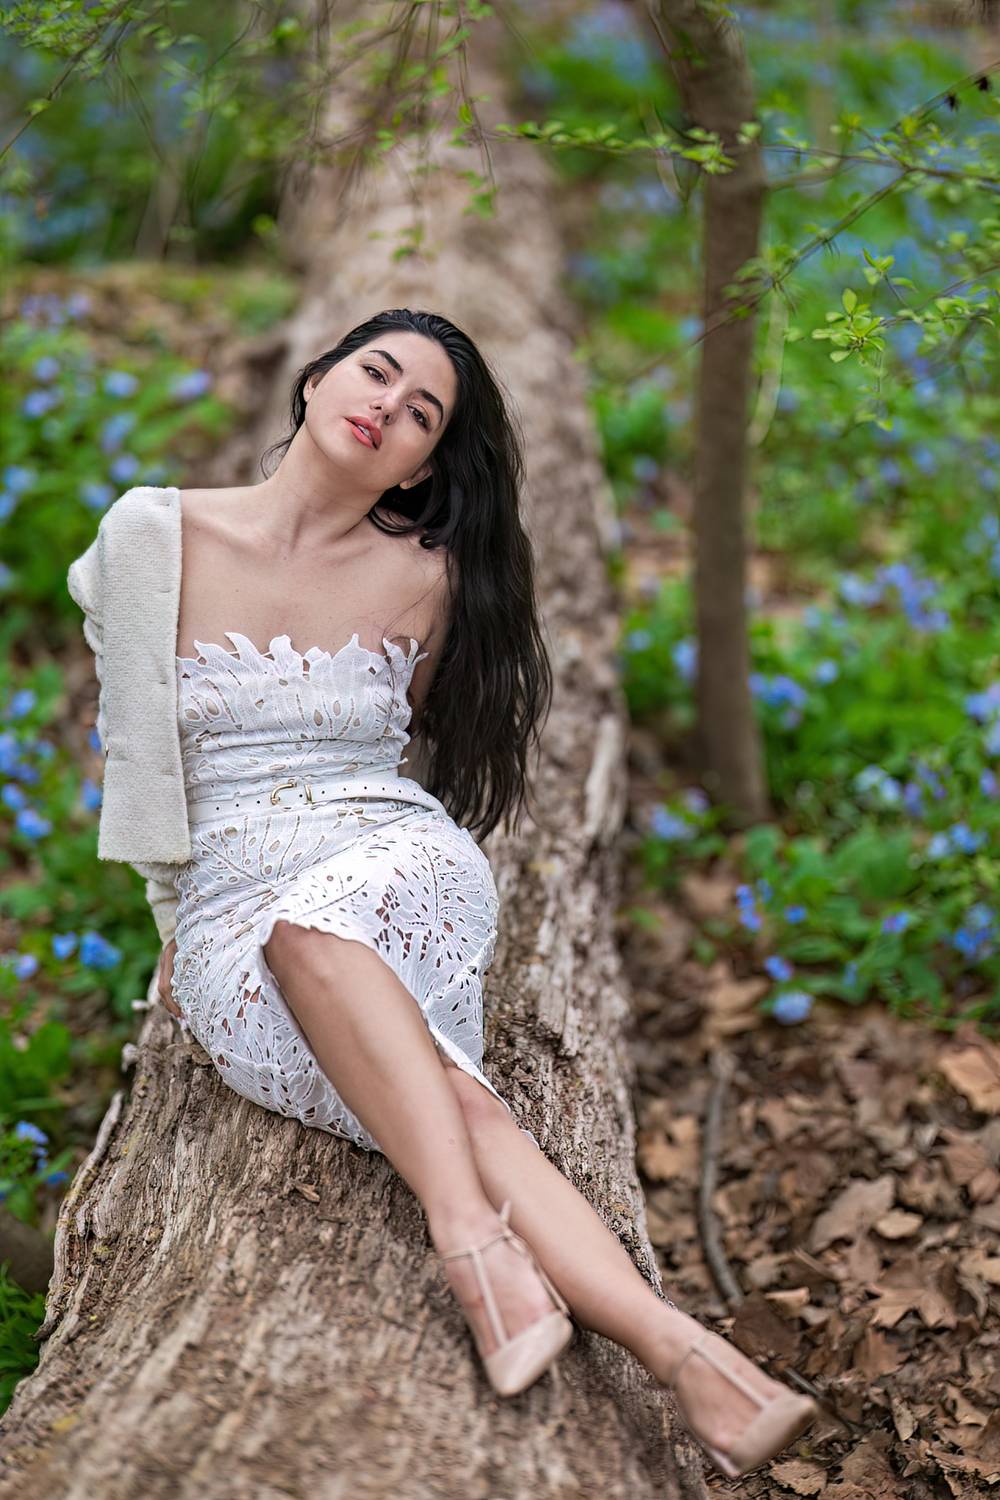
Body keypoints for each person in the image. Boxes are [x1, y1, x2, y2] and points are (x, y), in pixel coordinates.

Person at [72, 308, 816, 1476]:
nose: (389, 407)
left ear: (422, 464)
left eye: (423, 414)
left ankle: (470, 1241)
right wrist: (172, 930)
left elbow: (403, 749)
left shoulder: (426, 577)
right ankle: (693, 1364)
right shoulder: (148, 537)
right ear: (315, 375)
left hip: (382, 853)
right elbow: (139, 770)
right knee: (458, 1106)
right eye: (377, 373)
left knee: (315, 932)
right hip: (228, 902)